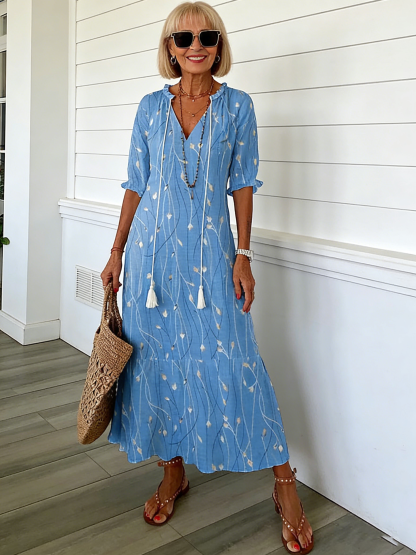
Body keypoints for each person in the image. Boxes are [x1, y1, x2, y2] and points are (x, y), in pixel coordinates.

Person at [101, 2, 313, 553]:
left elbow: (243, 182)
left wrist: (243, 254)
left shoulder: (238, 107)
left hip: (211, 264)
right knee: (157, 363)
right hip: (152, 266)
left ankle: (284, 485)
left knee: (237, 360)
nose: (196, 45)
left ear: (219, 45)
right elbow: (136, 184)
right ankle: (172, 471)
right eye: (184, 37)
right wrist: (117, 252)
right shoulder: (150, 108)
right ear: (169, 48)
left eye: (207, 35)